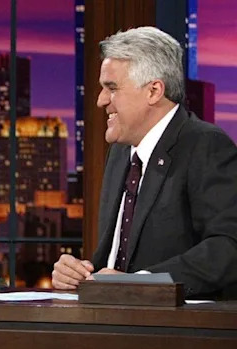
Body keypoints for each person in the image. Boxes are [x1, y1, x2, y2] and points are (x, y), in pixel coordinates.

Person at [52, 26, 237, 299]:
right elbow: (113, 263)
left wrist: (143, 283)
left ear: (153, 91)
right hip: (111, 321)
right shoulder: (120, 153)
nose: (101, 100)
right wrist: (79, 273)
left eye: (111, 88)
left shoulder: (205, 145)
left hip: (174, 330)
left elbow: (228, 247)